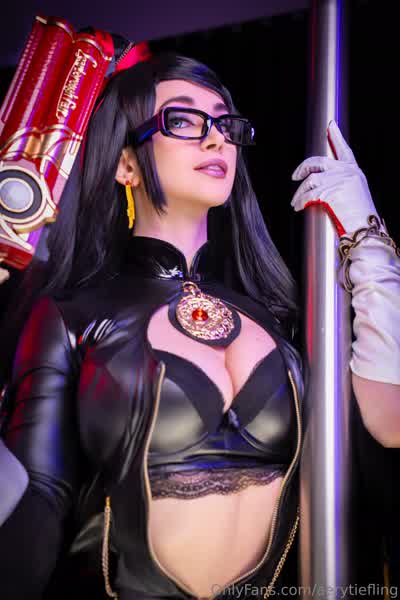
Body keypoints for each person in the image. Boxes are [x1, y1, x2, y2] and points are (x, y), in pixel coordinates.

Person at [0, 52, 399, 600]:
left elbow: (390, 422)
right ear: (126, 164)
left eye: (224, 124)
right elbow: (40, 498)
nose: (216, 140)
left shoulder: (283, 317)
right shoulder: (72, 314)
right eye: (184, 120)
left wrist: (368, 240)